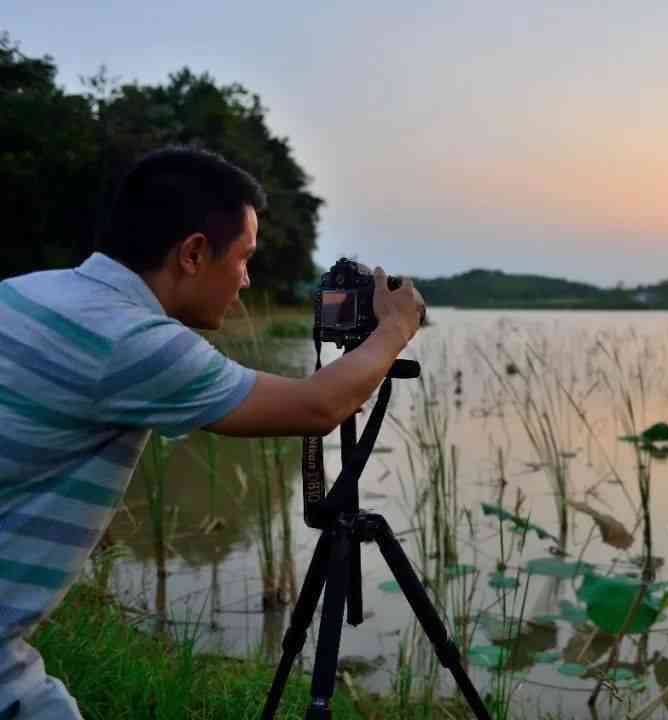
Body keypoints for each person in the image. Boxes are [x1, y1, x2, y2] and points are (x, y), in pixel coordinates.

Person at [0, 146, 425, 719]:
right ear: (195, 253)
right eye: (245, 258)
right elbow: (319, 405)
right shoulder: (129, 341)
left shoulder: (25, 291)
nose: (247, 280)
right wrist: (394, 328)